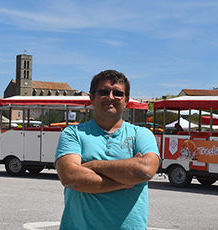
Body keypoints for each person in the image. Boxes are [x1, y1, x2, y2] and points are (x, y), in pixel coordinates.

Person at [55, 70, 160, 229]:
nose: (111, 97)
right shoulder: (73, 133)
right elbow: (70, 177)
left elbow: (144, 170)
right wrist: (124, 182)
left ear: (126, 101)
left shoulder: (141, 134)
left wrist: (93, 165)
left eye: (118, 93)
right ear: (91, 97)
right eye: (103, 92)